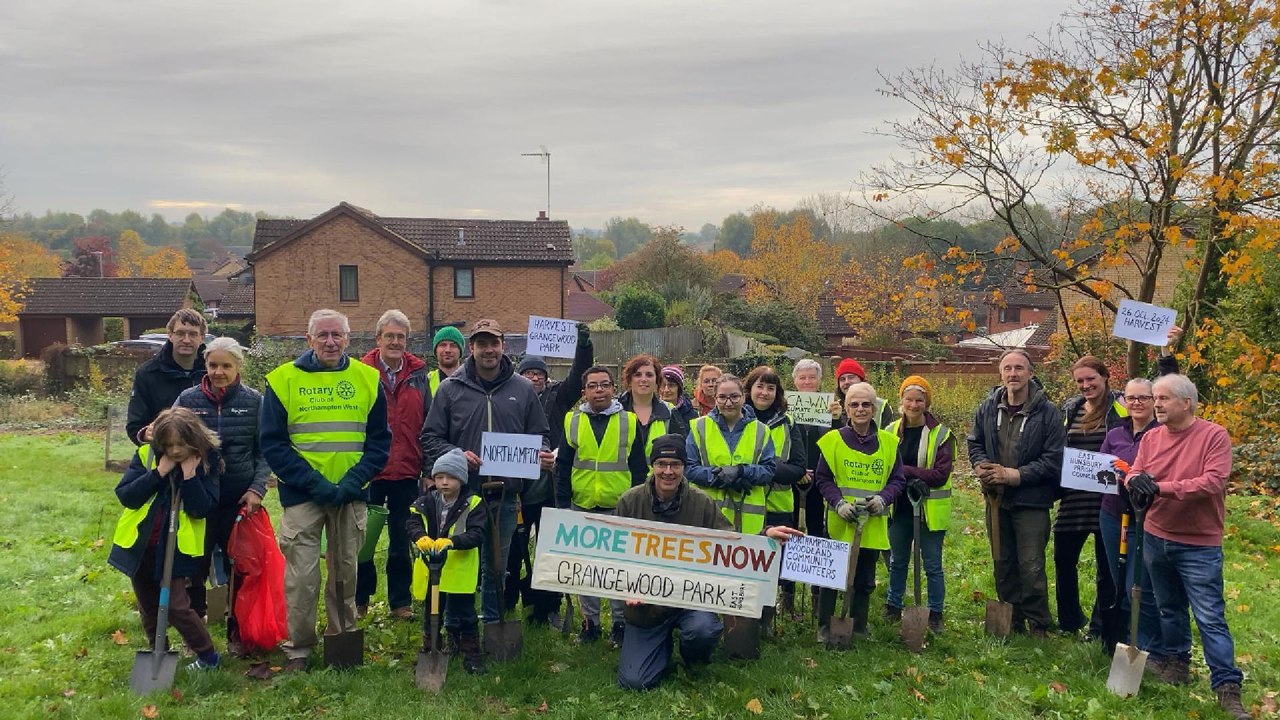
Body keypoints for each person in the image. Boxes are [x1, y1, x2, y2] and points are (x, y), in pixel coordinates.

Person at [259, 308, 391, 673]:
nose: (330, 342)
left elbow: (379, 443)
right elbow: (273, 444)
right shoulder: (283, 380)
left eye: (337, 335)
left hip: (350, 495)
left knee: (345, 573)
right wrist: (315, 483)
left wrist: (351, 482)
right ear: (309, 339)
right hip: (303, 495)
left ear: (348, 339)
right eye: (323, 335)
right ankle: (299, 648)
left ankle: (341, 638)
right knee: (302, 577)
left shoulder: (368, 379)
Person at [615, 434, 802, 690]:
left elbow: (729, 543)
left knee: (703, 630)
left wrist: (763, 537)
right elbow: (612, 556)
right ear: (652, 466)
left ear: (684, 467)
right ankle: (660, 645)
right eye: (661, 464)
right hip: (646, 607)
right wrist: (625, 587)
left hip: (691, 600)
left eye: (675, 465)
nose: (668, 471)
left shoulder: (701, 502)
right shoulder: (630, 501)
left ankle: (693, 656)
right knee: (635, 682)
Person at [1123, 374, 1248, 720]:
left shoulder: (1213, 436)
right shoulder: (1152, 437)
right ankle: (1176, 662)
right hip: (1156, 534)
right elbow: (1135, 471)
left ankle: (1226, 685)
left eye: (1163, 399)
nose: (1156, 405)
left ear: (1186, 402)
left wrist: (1160, 488)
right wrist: (1135, 480)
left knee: (1209, 616)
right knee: (1168, 607)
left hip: (1198, 543)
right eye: (1155, 399)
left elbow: (1212, 482)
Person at [418, 318, 554, 632]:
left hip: (504, 493)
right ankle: (457, 626)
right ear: (472, 348)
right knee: (459, 561)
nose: (488, 350)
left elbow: (540, 434)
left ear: (503, 346)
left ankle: (493, 624)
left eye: (494, 343)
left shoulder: (522, 388)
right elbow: (430, 437)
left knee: (497, 565)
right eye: (482, 344)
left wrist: (542, 453)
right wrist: (457, 455)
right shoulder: (451, 388)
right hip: (461, 495)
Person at [174, 337, 270, 656]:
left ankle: (237, 634)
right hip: (198, 499)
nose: (218, 372)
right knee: (194, 568)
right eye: (213, 365)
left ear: (238, 366)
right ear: (205, 364)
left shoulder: (254, 401)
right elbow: (171, 437)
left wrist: (256, 489)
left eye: (226, 366)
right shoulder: (187, 400)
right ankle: (195, 636)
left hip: (238, 501)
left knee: (239, 569)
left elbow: (264, 451)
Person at [110, 407, 222, 671]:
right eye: (169, 445)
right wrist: (158, 473)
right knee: (148, 605)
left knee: (176, 605)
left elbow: (202, 508)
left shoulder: (207, 461)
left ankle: (208, 656)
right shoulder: (147, 456)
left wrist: (190, 476)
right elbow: (127, 496)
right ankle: (157, 651)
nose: (175, 451)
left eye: (180, 444)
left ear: (193, 440)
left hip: (176, 547)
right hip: (140, 544)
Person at [968, 349, 1064, 636]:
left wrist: (1014, 475)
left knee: (1031, 564)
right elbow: (975, 442)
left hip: (1032, 500)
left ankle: (1038, 622)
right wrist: (981, 466)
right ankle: (1011, 617)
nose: (1013, 374)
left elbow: (1053, 459)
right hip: (996, 499)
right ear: (1000, 373)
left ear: (1030, 374)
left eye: (1019, 368)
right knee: (1003, 561)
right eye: (1007, 368)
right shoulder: (987, 408)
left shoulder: (1048, 413)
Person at [555, 365, 649, 646]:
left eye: (605, 385)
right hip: (582, 506)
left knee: (618, 571)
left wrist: (637, 506)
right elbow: (563, 467)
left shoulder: (629, 421)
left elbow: (639, 468)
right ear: (584, 392)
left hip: (619, 508)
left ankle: (620, 624)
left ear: (613, 389)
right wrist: (563, 506)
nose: (599, 390)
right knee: (586, 571)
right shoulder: (572, 421)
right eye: (593, 386)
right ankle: (590, 624)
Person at [509, 323, 594, 626]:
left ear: (546, 378)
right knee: (513, 549)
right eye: (528, 373)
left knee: (549, 549)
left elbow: (579, 373)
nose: (534, 378)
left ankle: (548, 605)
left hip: (551, 488)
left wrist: (583, 345)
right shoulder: (510, 398)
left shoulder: (558, 396)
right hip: (518, 489)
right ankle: (509, 601)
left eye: (539, 374)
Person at [813, 382, 905, 641]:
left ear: (874, 408)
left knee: (864, 578)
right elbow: (823, 478)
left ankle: (859, 627)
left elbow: (897, 479)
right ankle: (825, 627)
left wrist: (883, 499)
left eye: (866, 404)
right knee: (831, 576)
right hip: (840, 521)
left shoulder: (889, 443)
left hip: (871, 523)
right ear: (846, 409)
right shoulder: (832, 441)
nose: (860, 409)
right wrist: (838, 503)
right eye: (854, 404)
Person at [355, 310, 431, 621]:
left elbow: (428, 425)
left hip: (408, 471)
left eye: (401, 337)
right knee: (362, 540)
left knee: (401, 540)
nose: (395, 342)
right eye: (390, 336)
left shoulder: (419, 375)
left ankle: (400, 603)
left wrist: (428, 469)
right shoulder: (361, 373)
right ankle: (359, 600)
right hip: (370, 471)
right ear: (378, 339)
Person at [1054, 356, 1127, 639]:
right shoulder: (1071, 409)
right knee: (1063, 559)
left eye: (1091, 379)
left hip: (1108, 499)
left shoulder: (1121, 406)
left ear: (1105, 377)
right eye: (1080, 381)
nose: (1085, 385)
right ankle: (1070, 621)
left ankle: (1100, 627)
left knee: (1105, 568)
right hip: (1074, 498)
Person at [406, 448, 488, 675]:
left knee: (466, 612)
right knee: (431, 612)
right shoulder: (426, 501)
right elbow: (412, 522)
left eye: (450, 477)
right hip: (432, 569)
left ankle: (471, 653)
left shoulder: (473, 503)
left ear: (461, 479)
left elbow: (478, 533)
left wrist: (453, 542)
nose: (444, 482)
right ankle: (430, 648)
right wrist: (419, 536)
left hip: (459, 569)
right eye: (439, 477)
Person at [883, 376, 954, 633]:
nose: (913, 405)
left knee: (932, 564)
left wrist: (905, 471)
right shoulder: (889, 431)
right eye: (909, 399)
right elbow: (882, 467)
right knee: (897, 560)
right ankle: (893, 605)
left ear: (927, 403)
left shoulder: (942, 434)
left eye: (919, 400)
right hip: (899, 507)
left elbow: (940, 475)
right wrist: (910, 474)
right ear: (901, 400)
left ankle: (935, 613)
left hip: (928, 510)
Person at [1097, 377, 1162, 654]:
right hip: (1112, 514)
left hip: (1146, 518)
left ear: (1154, 401)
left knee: (1139, 586)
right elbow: (1100, 468)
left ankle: (1149, 645)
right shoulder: (1115, 434)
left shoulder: (1162, 434)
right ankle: (1124, 638)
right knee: (1119, 581)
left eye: (1143, 398)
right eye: (1131, 397)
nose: (1136, 403)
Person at [743, 365, 807, 620]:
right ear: (749, 389)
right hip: (745, 505)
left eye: (770, 388)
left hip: (779, 504)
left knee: (777, 562)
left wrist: (762, 469)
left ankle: (773, 613)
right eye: (759, 386)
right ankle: (747, 613)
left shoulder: (787, 422)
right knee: (748, 560)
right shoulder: (738, 419)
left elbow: (798, 467)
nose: (764, 392)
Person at [685, 374, 777, 534]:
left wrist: (741, 471)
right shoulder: (699, 426)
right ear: (715, 398)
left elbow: (769, 470)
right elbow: (689, 468)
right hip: (707, 516)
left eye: (734, 397)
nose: (728, 403)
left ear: (743, 397)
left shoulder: (761, 430)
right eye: (722, 397)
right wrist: (719, 477)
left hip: (749, 521)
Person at [127, 308, 208, 445]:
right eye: (180, 333)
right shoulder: (148, 373)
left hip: (205, 451)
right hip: (165, 451)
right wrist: (145, 434)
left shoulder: (213, 373)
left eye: (193, 334)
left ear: (202, 337)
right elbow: (135, 426)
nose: (186, 340)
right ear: (170, 335)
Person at [619, 354, 678, 455]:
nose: (643, 379)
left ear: (657, 380)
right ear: (629, 380)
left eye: (649, 375)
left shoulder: (670, 412)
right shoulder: (615, 410)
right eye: (638, 375)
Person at [828, 358, 894, 429]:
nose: (846, 382)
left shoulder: (881, 406)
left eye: (851, 377)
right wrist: (835, 421)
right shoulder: (834, 408)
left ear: (861, 380)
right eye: (842, 379)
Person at [659, 365, 698, 433]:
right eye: (663, 385)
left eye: (671, 385)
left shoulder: (691, 414)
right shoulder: (651, 411)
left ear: (679, 389)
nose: (666, 390)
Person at [428, 325, 466, 396]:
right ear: (436, 350)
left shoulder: (472, 382)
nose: (448, 350)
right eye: (443, 345)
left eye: (453, 345)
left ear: (460, 351)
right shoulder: (426, 382)